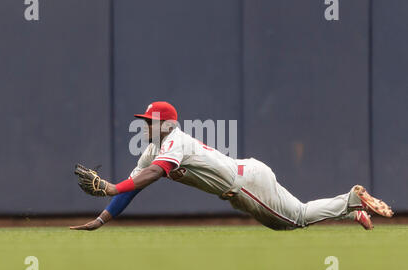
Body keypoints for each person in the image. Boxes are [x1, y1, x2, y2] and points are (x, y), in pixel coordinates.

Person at [70, 101, 393, 231]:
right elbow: (134, 186)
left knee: (293, 221)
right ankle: (352, 209)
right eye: (144, 120)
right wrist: (101, 220)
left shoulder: (175, 142)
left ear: (167, 123)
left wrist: (111, 186)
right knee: (299, 212)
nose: (145, 125)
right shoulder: (153, 149)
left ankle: (351, 199)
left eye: (150, 121)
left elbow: (154, 174)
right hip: (248, 174)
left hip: (246, 186)